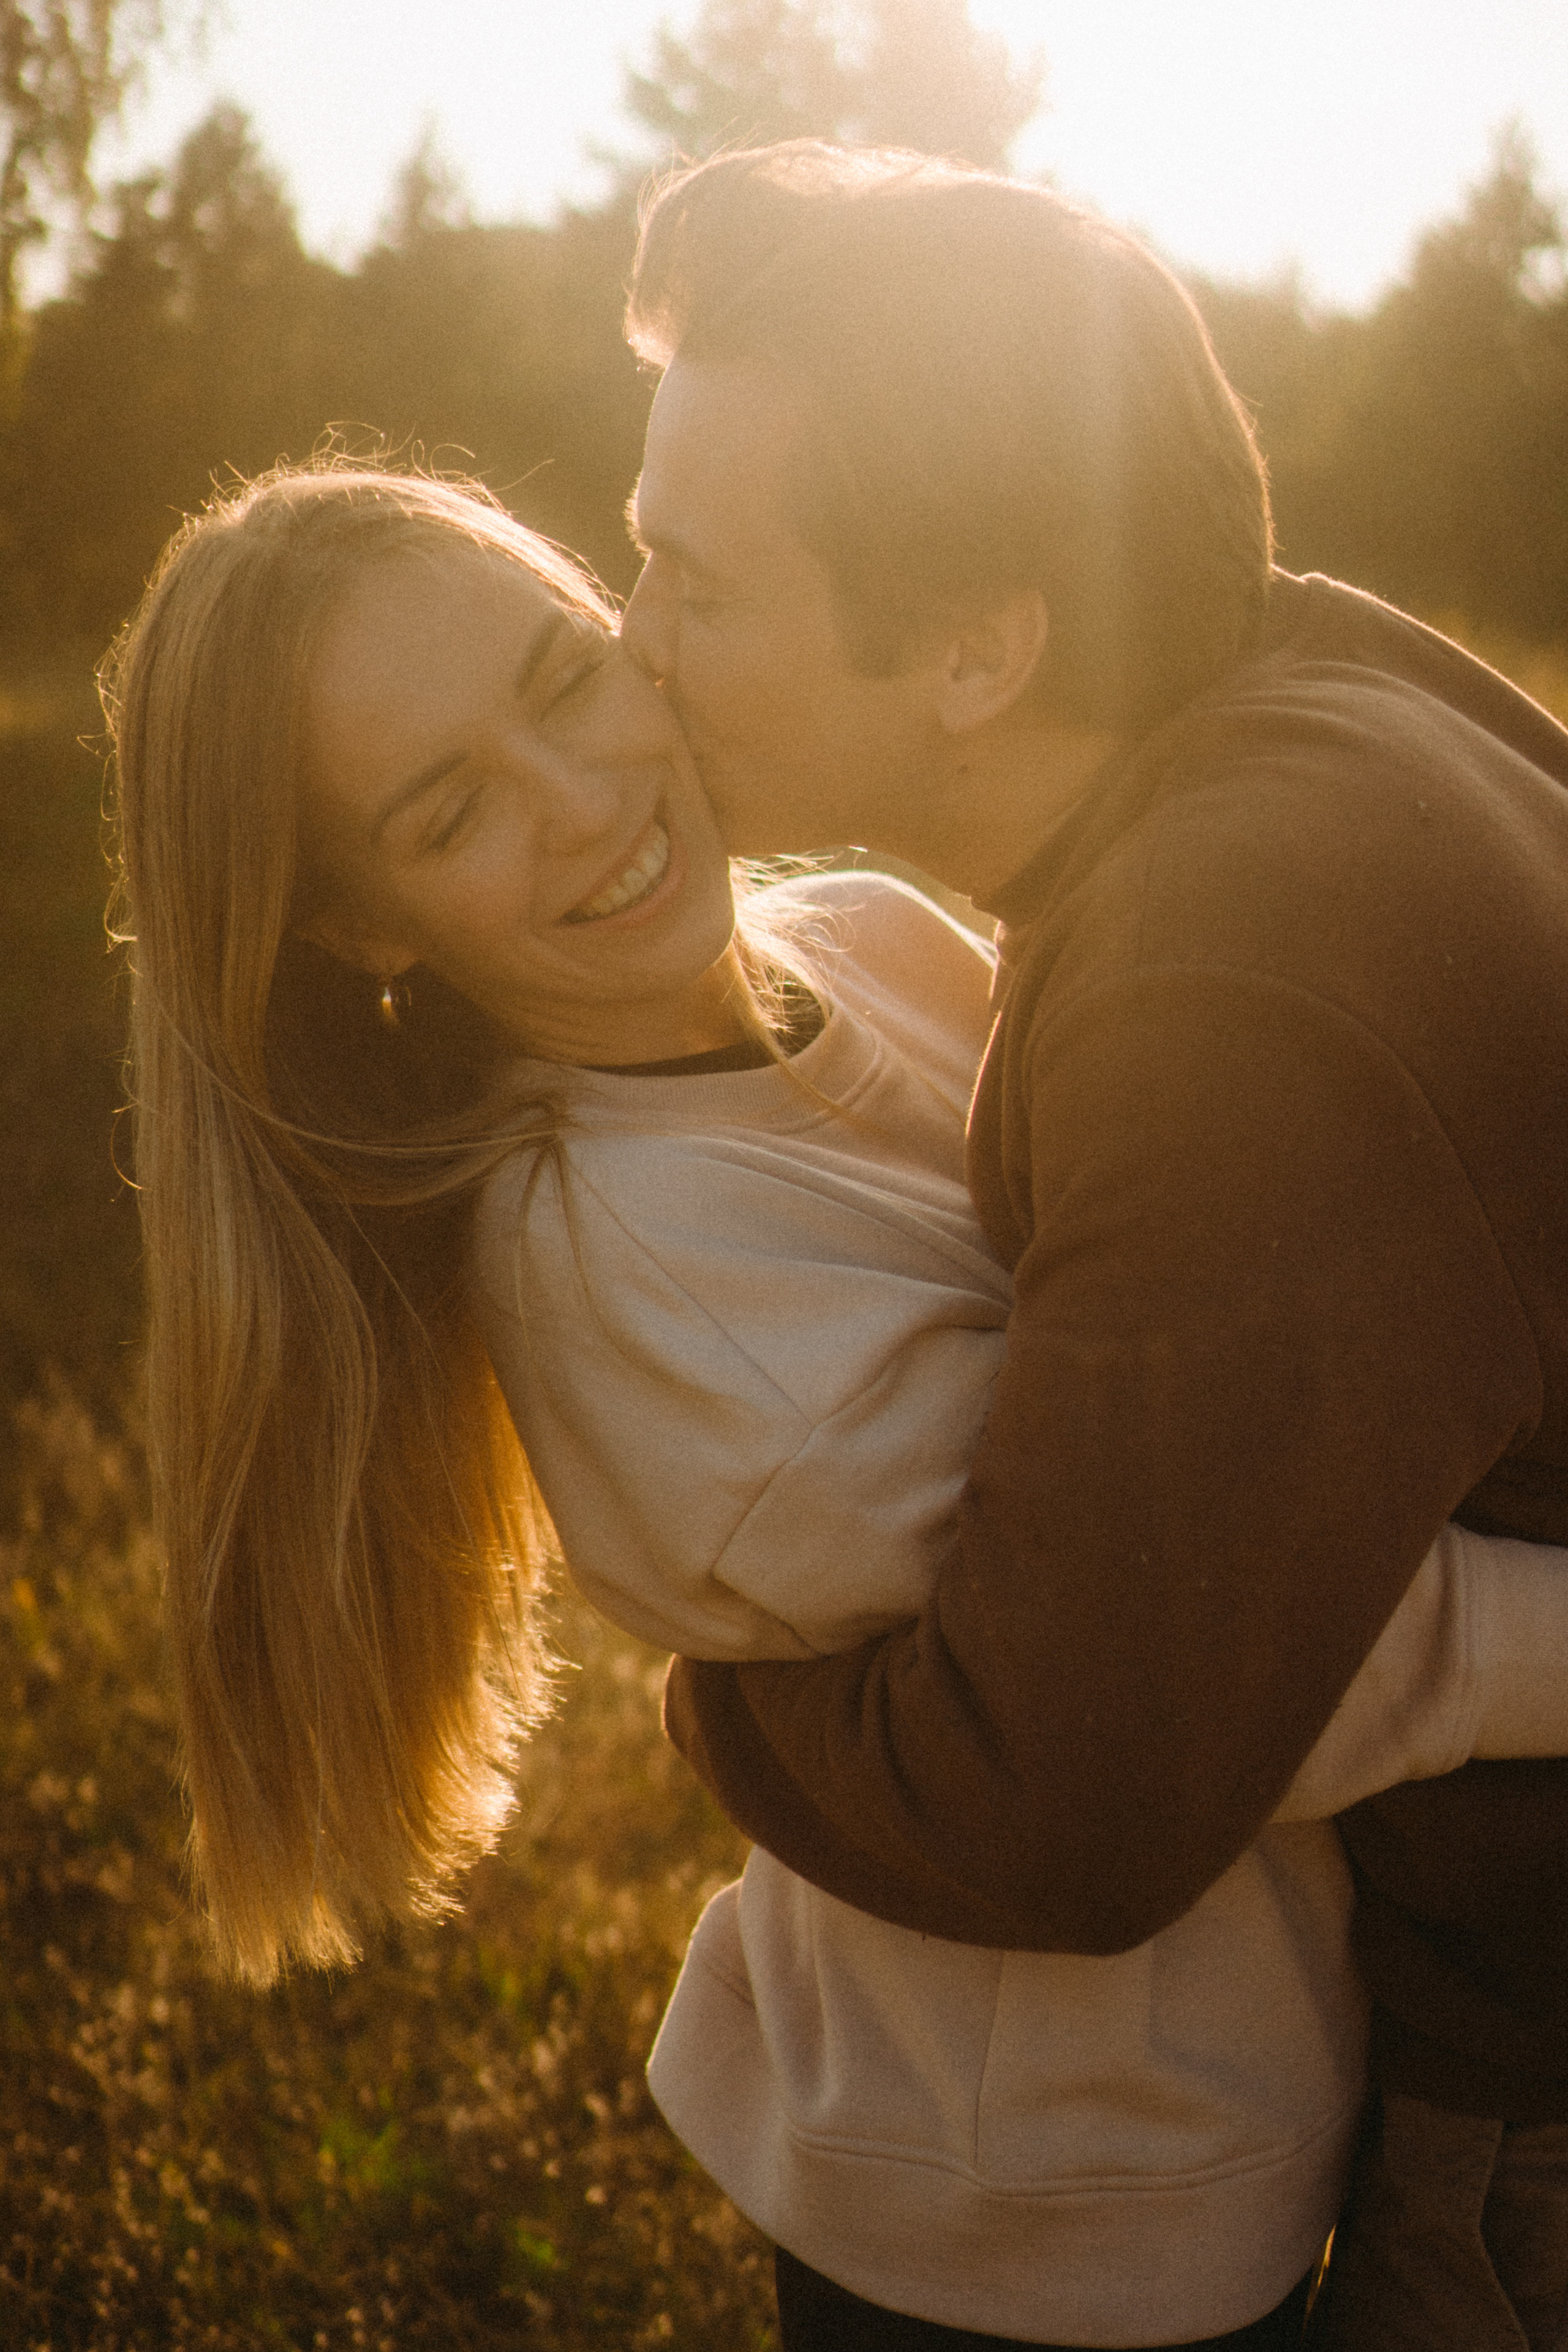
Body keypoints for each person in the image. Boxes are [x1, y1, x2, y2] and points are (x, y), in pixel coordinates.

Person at [105, 461, 1568, 2351]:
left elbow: (1193, 1361)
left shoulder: (863, 935)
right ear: (360, 935)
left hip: (1263, 2055)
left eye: (564, 681)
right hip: (1044, 2204)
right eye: (449, 811)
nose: (580, 802)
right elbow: (1200, 1665)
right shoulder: (654, 1289)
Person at [608, 143, 1568, 2350]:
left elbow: (1060, 1802)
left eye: (692, 578)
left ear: (976, 649)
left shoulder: (1228, 982)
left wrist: (720, 1694)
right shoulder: (1292, 694)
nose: (625, 640)